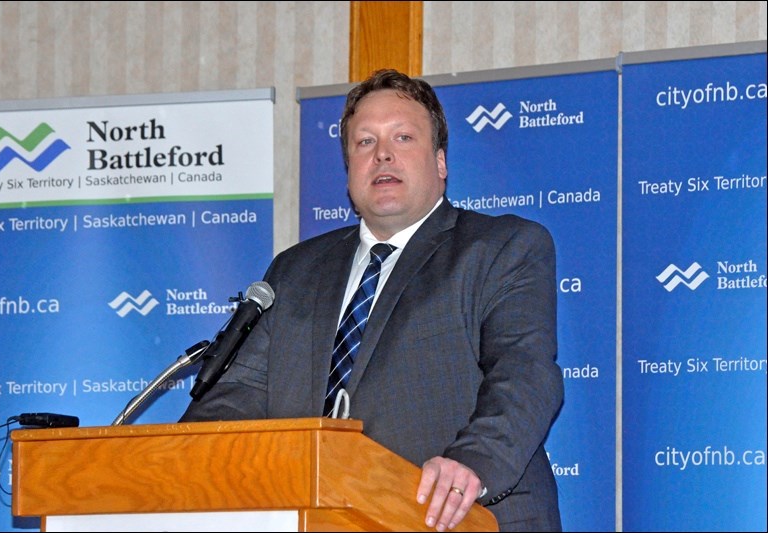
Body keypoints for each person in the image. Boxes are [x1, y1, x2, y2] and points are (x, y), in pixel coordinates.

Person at [180, 68, 564, 532]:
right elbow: (239, 394)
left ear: (440, 162)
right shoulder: (296, 270)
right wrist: (188, 459)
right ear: (349, 171)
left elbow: (524, 374)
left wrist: (471, 463)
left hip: (462, 518)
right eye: (364, 142)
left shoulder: (501, 247)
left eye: (402, 137)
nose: (382, 153)